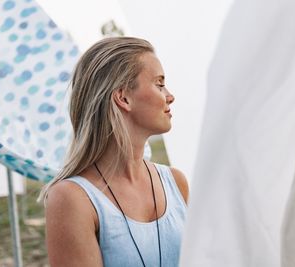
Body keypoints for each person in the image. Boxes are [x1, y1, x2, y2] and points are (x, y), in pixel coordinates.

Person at [40, 37, 189, 267]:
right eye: (159, 84)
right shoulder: (72, 199)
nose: (169, 95)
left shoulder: (176, 183)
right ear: (123, 98)